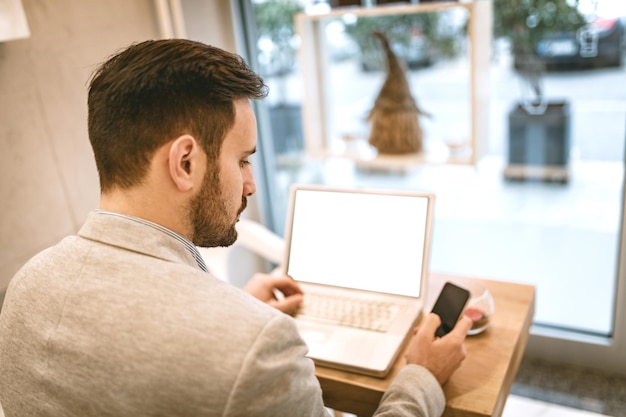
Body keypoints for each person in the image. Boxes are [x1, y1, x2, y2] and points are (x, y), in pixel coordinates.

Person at [0, 39, 472, 417]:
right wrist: (421, 378)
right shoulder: (258, 346)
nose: (249, 184)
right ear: (185, 161)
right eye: (242, 160)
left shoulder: (26, 285)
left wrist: (233, 308)